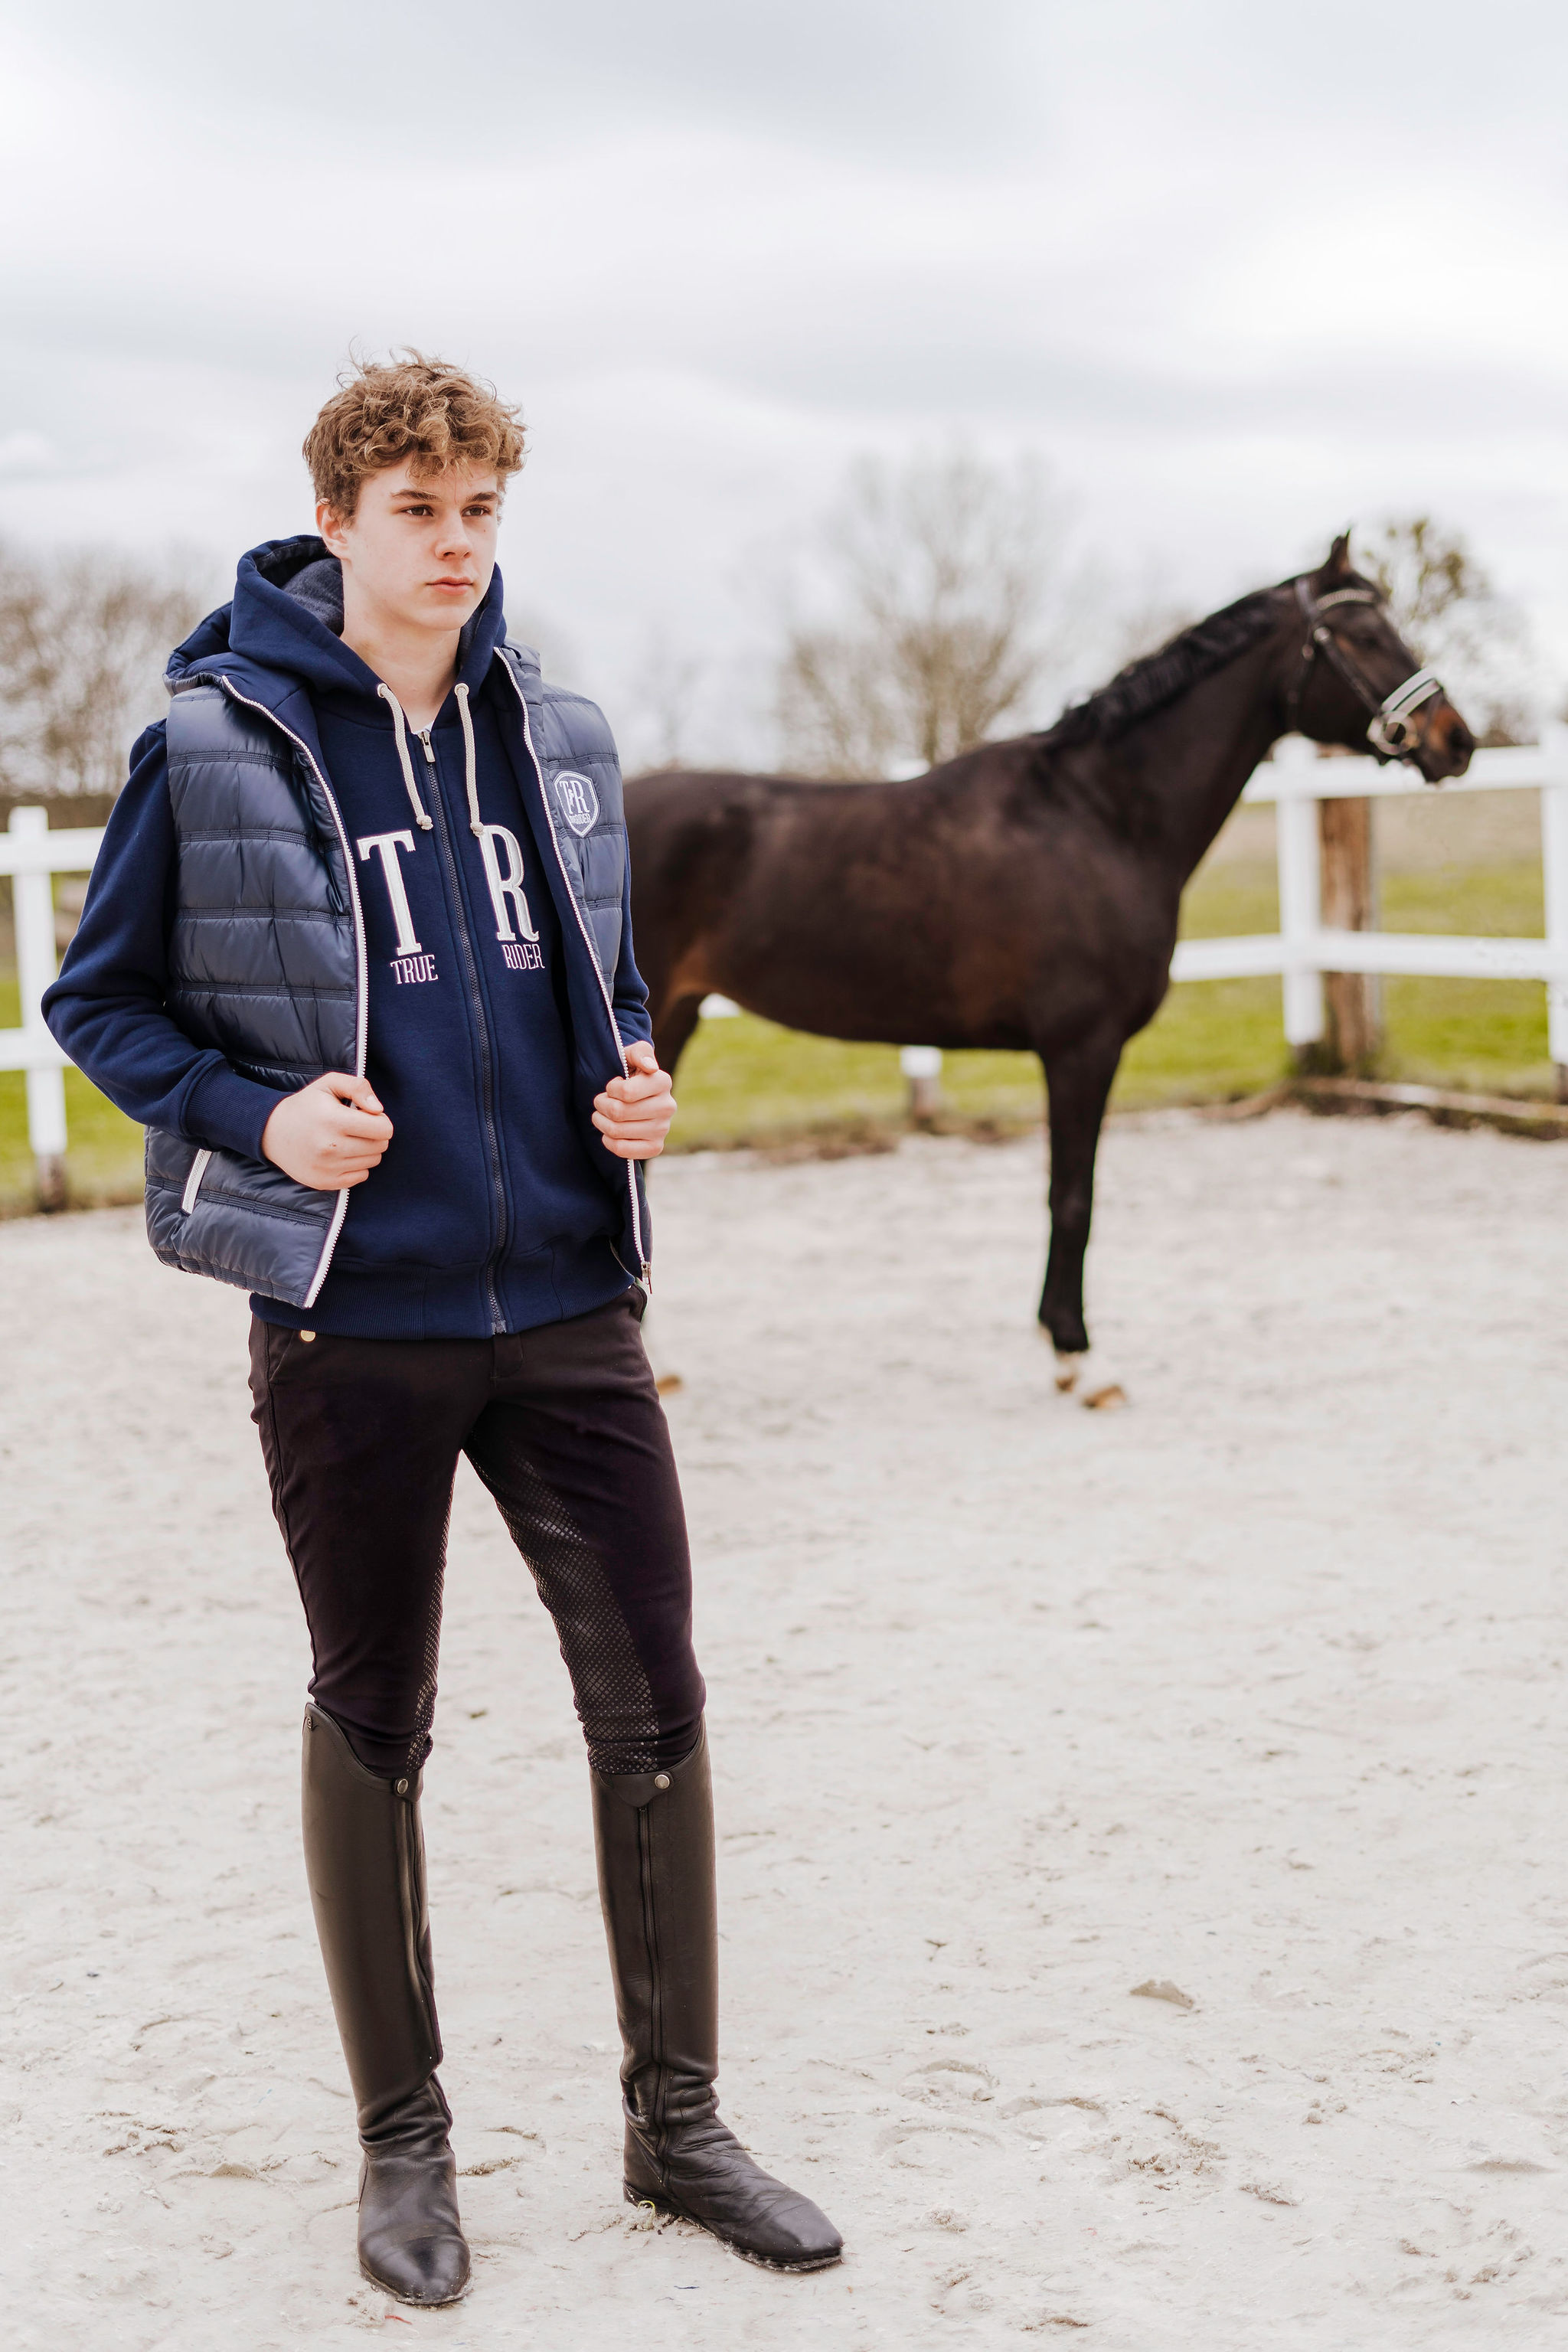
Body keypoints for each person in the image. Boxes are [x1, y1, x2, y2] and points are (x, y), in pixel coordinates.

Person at [44, 354, 842, 2305]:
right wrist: (257, 1120)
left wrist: (631, 1080)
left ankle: (678, 2126)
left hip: (569, 1302)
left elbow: (598, 981)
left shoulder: (557, 734)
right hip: (353, 1319)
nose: (457, 543)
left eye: (481, 509)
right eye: (418, 510)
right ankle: (404, 2151)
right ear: (336, 520)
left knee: (655, 1698)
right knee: (374, 1711)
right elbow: (99, 1004)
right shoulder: (211, 742)